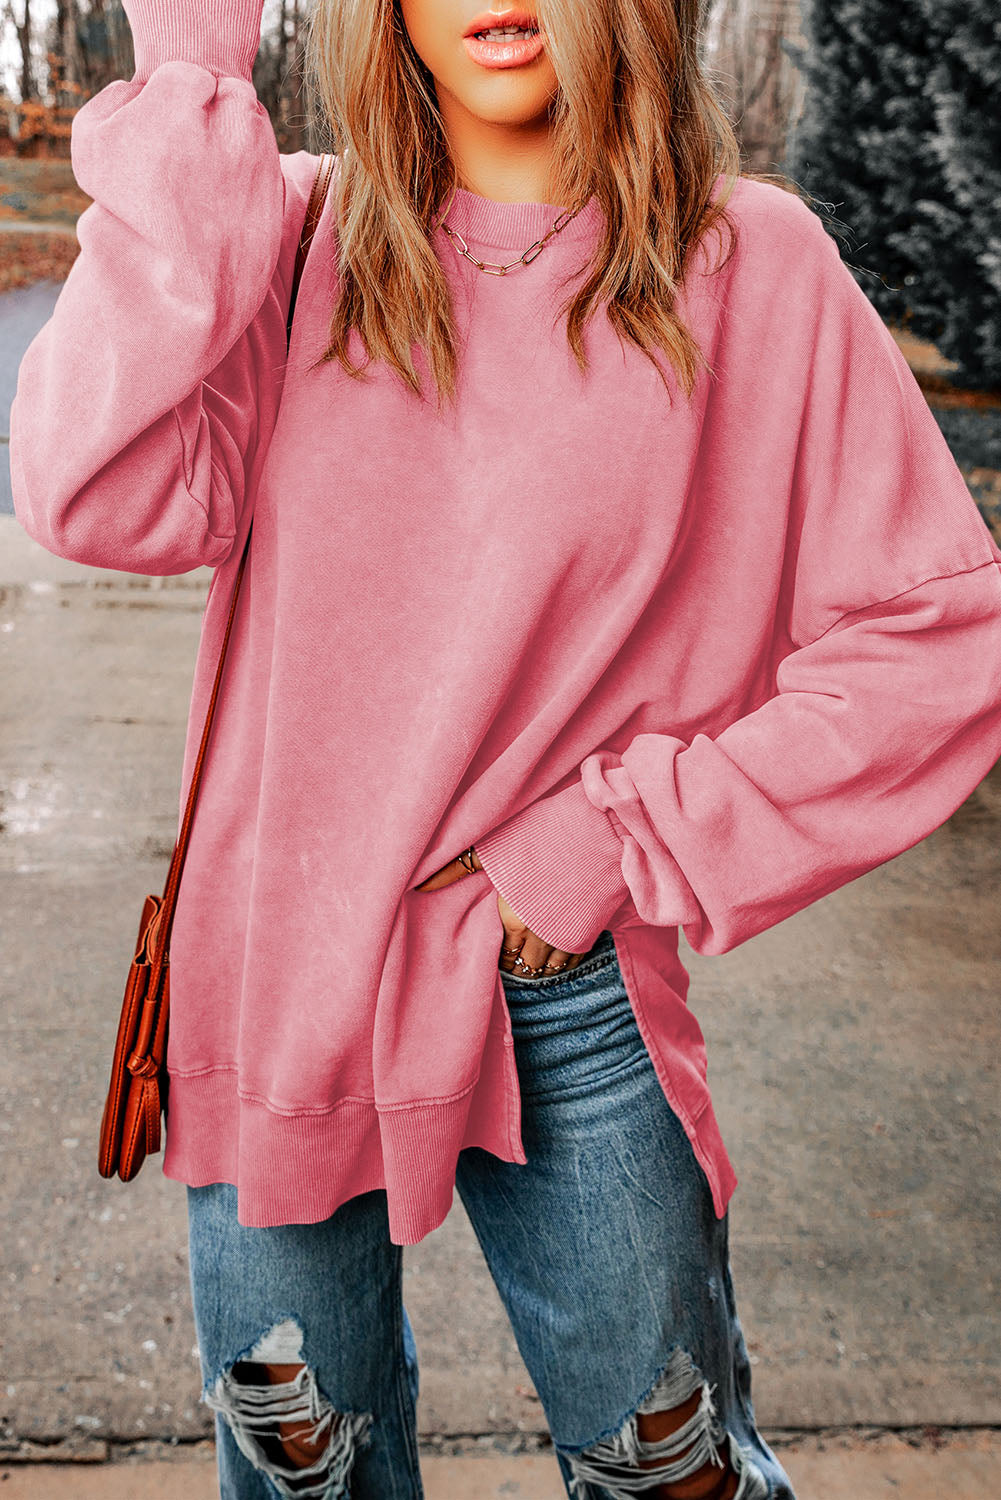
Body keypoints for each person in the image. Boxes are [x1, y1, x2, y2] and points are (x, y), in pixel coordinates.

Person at [10, 0, 1001, 1493]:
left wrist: (611, 841)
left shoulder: (749, 263)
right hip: (281, 978)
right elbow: (94, 490)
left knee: (669, 1474)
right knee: (308, 1480)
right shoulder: (286, 237)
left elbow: (940, 637)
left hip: (565, 990)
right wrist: (194, 78)